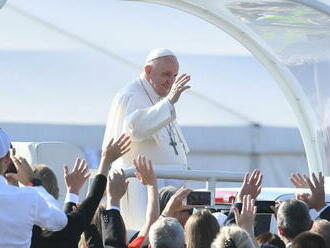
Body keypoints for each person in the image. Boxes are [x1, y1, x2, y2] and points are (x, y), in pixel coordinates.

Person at [103, 48, 191, 230]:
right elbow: (136, 129)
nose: (171, 81)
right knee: (146, 233)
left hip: (170, 182)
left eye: (174, 76)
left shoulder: (159, 96)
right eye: (166, 74)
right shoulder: (131, 94)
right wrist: (169, 102)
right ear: (148, 70)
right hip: (141, 187)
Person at [30, 134, 131, 248]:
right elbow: (92, 199)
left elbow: (66, 226)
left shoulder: (21, 235)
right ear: (56, 192)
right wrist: (105, 160)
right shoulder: (59, 234)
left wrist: (73, 193)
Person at [0, 129, 68, 248]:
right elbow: (59, 221)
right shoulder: (28, 198)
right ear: (7, 158)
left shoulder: (25, 197)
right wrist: (33, 183)